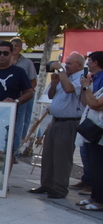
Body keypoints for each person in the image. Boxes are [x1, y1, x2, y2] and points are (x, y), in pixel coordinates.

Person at [29, 52, 86, 199]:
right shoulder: (63, 77)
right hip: (55, 120)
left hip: (69, 121)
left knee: (62, 157)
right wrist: (54, 83)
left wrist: (60, 70)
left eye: (69, 63)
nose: (66, 66)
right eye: (65, 63)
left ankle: (60, 189)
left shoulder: (81, 78)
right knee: (48, 155)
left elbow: (69, 89)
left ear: (79, 65)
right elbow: (51, 95)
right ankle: (47, 184)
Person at [77, 51, 103, 210]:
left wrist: (87, 86)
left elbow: (95, 104)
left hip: (100, 133)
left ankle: (100, 200)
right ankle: (94, 196)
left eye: (89, 61)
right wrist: (85, 88)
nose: (87, 64)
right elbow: (87, 101)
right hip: (92, 131)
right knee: (93, 166)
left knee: (99, 167)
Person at [11, 36, 38, 148]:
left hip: (22, 98)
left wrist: (26, 94)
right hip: (8, 97)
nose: (14, 48)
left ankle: (15, 152)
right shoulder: (6, 61)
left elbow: (33, 81)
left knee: (19, 125)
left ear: (21, 48)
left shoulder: (27, 63)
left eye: (16, 46)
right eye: (12, 46)